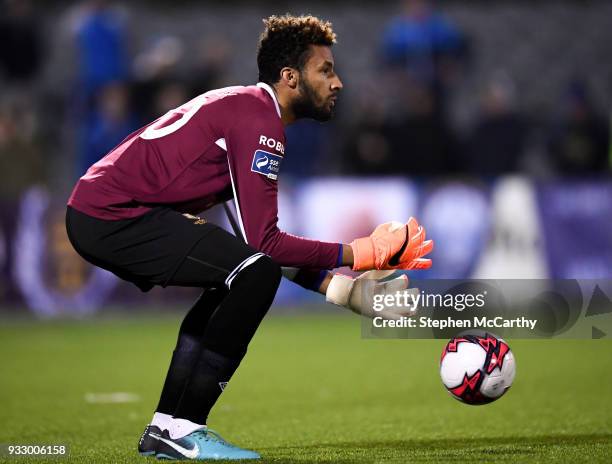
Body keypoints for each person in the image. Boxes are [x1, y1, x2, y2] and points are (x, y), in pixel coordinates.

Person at [65, 15, 433, 461]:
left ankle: (167, 428)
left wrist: (344, 290)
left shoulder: (244, 109)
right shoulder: (260, 122)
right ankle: (184, 427)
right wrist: (357, 253)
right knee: (254, 275)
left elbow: (253, 243)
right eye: (326, 70)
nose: (338, 83)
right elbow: (267, 245)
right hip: (114, 215)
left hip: (103, 211)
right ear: (290, 77)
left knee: (242, 273)